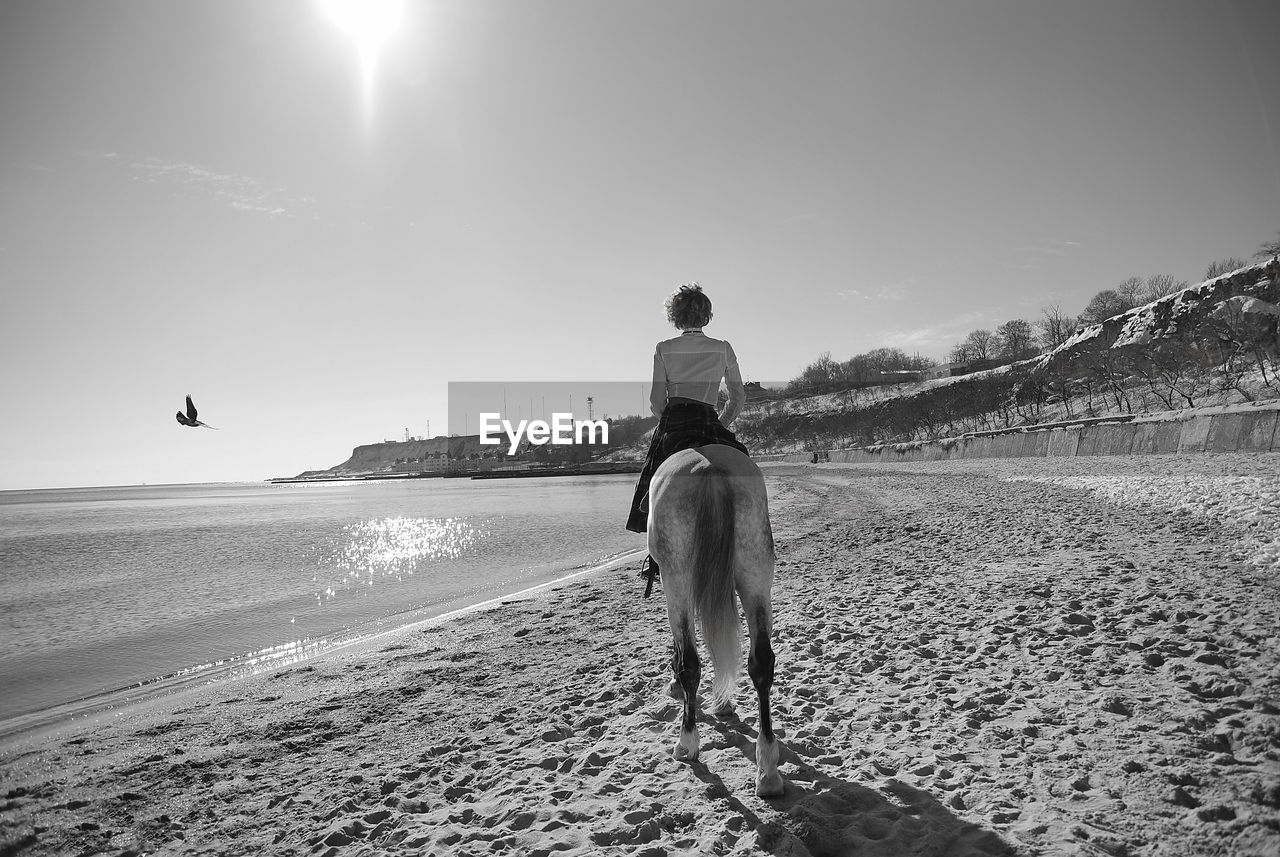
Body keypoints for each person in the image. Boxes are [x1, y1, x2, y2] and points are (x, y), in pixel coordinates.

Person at [626, 283, 750, 593]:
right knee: (743, 465)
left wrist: (668, 421)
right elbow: (737, 397)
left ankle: (654, 560)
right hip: (709, 420)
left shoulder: (664, 348)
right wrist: (720, 422)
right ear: (707, 315)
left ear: (675, 317)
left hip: (675, 422)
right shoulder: (723, 347)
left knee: (653, 488)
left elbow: (656, 403)